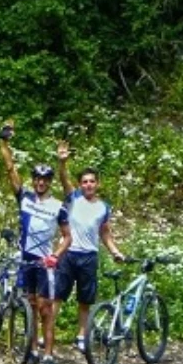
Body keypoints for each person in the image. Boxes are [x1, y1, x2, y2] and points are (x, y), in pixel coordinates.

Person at [0, 121, 71, 364]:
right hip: (25, 258)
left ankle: (48, 354)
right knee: (29, 304)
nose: (40, 182)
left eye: (45, 179)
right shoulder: (25, 198)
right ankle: (30, 351)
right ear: (33, 180)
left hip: (44, 261)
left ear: (50, 182)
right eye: (37, 179)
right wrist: (4, 143)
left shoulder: (58, 206)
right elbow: (10, 169)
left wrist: (56, 255)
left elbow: (67, 237)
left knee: (45, 308)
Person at [56, 142, 125, 350]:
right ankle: (47, 333)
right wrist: (62, 162)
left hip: (89, 256)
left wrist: (115, 251)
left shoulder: (104, 208)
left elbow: (105, 232)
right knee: (57, 295)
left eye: (92, 182)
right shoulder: (74, 197)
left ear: (97, 184)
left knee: (85, 300)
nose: (88, 185)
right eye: (84, 182)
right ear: (80, 184)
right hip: (68, 253)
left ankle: (81, 336)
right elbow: (64, 180)